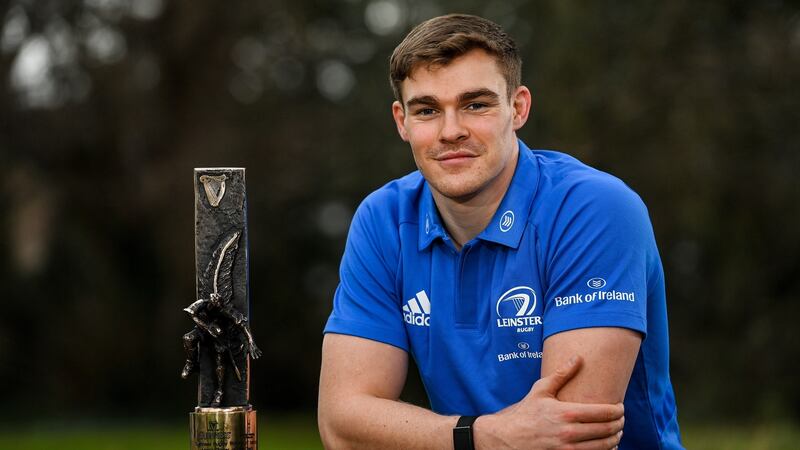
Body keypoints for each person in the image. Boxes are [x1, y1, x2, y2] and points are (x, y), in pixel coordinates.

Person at [318, 13, 682, 449]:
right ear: (402, 121)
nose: (451, 131)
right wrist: (481, 435)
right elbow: (342, 425)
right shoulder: (384, 220)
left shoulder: (594, 208)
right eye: (428, 110)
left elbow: (568, 437)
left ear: (518, 107)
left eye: (476, 105)